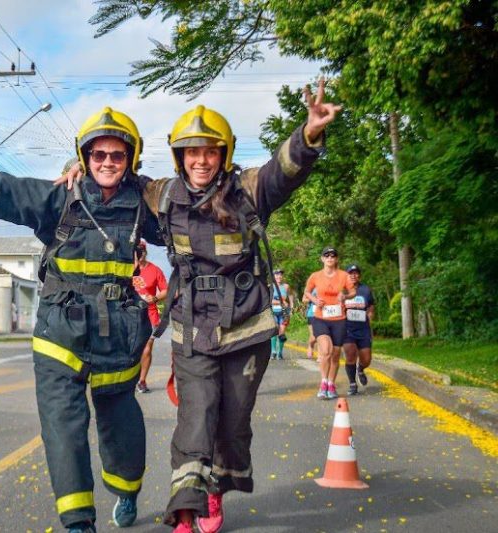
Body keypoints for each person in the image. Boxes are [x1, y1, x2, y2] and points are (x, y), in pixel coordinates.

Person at [0, 107, 162, 533]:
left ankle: (126, 491)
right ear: (85, 156)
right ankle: (79, 522)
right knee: (63, 426)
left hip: (119, 333)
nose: (107, 163)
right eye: (98, 155)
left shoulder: (143, 208)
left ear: (130, 159)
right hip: (59, 333)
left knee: (121, 423)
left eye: (117, 155)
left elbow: (192, 218)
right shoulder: (58, 197)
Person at [142, 82, 338, 533]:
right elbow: (113, 176)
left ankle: (214, 490)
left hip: (246, 328)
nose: (200, 160)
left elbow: (282, 171)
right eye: (191, 152)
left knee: (232, 422)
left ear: (224, 153)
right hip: (191, 327)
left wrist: (307, 135)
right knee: (197, 414)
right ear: (179, 157)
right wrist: (79, 165)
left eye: (210, 151)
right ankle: (185, 508)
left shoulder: (248, 189)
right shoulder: (163, 195)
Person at [303, 247, 356, 400]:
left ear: (336, 259)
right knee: (326, 350)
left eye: (333, 256)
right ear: (322, 259)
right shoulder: (315, 276)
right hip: (320, 318)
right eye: (327, 256)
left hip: (339, 319)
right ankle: (323, 382)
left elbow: (353, 292)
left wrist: (345, 296)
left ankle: (331, 384)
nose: (330, 258)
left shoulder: (343, 275)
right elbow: (307, 292)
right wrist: (315, 300)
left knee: (335, 354)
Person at [131, 239, 168, 393]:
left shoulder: (155, 270)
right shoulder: (128, 268)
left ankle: (142, 381)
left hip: (150, 315)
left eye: (142, 251)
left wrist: (155, 298)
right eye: (136, 251)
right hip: (129, 316)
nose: (140, 254)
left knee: (146, 350)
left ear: (145, 252)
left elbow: (166, 290)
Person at [342, 264, 375, 395]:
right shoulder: (342, 290)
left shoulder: (365, 290)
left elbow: (371, 305)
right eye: (351, 273)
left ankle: (360, 369)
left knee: (366, 359)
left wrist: (370, 315)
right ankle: (352, 383)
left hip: (363, 328)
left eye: (356, 273)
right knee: (350, 354)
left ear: (359, 275)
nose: (353, 276)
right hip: (347, 328)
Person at [270, 268, 295, 360]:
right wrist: (278, 302)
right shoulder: (270, 286)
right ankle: (273, 351)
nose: (279, 276)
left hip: (284, 312)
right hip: (273, 312)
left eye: (280, 275)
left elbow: (291, 295)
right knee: (274, 332)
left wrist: (291, 307)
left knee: (282, 332)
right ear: (273, 276)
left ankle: (280, 352)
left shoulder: (286, 286)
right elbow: (268, 300)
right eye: (276, 275)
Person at [303, 288, 318, 359]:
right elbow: (304, 300)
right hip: (312, 314)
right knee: (313, 336)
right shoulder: (311, 287)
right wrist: (313, 299)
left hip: (323, 314)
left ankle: (320, 355)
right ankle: (310, 346)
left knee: (321, 335)